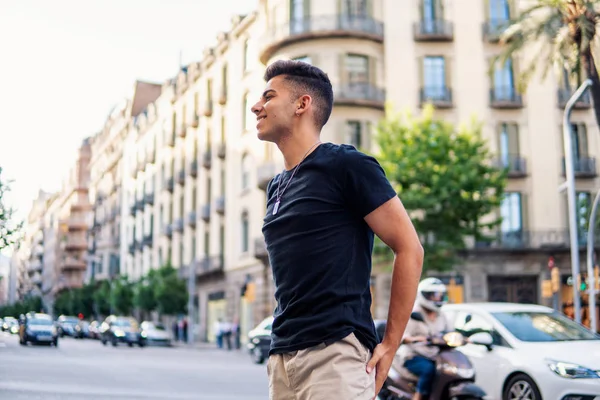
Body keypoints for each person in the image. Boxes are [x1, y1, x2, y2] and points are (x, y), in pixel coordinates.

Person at [251, 59, 424, 400]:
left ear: (302, 104)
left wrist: (389, 345)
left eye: (269, 96)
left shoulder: (346, 165)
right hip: (283, 357)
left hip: (335, 355)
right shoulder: (276, 186)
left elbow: (410, 248)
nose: (256, 106)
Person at [400, 278, 450, 400]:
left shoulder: (441, 314)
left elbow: (450, 332)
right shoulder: (413, 313)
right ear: (424, 295)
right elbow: (403, 336)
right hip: (414, 355)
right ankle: (418, 396)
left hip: (435, 355)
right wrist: (415, 339)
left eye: (439, 295)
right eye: (434, 295)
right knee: (428, 370)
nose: (437, 298)